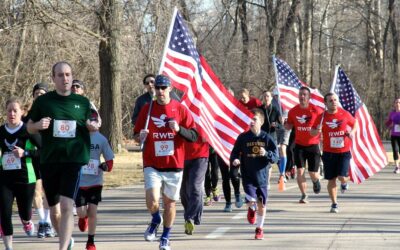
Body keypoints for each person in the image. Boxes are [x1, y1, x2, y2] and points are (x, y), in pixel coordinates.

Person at [27, 61, 94, 250]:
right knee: (54, 210)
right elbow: (29, 126)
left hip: (73, 159)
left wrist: (92, 127)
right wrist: (38, 126)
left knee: (66, 205)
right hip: (50, 160)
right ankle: (66, 240)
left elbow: (89, 124)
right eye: (60, 75)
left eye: (67, 74)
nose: (65, 78)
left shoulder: (82, 102)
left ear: (71, 76)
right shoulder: (43, 101)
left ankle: (62, 248)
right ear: (53, 78)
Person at [133, 75, 198, 250]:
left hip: (174, 163)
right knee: (152, 200)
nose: (160, 91)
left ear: (170, 88)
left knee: (169, 203)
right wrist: (141, 137)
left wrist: (178, 129)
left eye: (163, 87)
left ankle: (165, 236)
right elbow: (136, 135)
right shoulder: (147, 109)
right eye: (158, 88)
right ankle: (156, 218)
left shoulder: (180, 109)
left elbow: (193, 135)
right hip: (152, 162)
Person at [230, 108, 278, 240]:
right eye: (250, 119)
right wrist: (235, 159)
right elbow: (234, 152)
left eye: (254, 119)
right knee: (251, 199)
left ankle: (259, 229)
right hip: (248, 175)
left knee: (262, 204)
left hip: (262, 176)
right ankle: (251, 209)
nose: (251, 121)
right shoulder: (243, 137)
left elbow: (275, 157)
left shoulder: (267, 138)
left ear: (261, 122)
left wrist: (266, 154)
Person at [0, 97, 41, 250]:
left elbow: (43, 151)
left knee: (25, 211)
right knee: (4, 211)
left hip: (26, 178)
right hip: (5, 178)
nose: (12, 113)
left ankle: (26, 220)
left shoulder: (28, 130)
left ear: (22, 112)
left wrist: (26, 153)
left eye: (15, 110)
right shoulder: (1, 131)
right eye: (9, 110)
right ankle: (8, 247)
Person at [311, 93, 357, 213]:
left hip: (344, 151)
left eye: (335, 100)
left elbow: (355, 123)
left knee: (341, 177)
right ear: (325, 103)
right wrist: (317, 130)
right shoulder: (321, 117)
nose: (333, 102)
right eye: (330, 101)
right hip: (329, 153)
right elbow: (312, 133)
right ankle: (334, 204)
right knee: (331, 179)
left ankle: (344, 182)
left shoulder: (344, 113)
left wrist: (352, 132)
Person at [76, 109, 114, 250]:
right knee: (81, 211)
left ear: (99, 122)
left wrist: (105, 166)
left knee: (93, 211)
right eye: (88, 119)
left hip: (95, 181)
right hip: (80, 181)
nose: (91, 122)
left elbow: (110, 160)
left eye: (94, 119)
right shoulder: (78, 137)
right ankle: (82, 217)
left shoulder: (102, 139)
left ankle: (90, 241)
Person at [23, 82, 56, 238]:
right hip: (33, 158)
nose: (39, 96)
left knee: (49, 192)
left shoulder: (52, 114)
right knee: (37, 191)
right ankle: (43, 222)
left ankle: (48, 221)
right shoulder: (27, 117)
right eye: (37, 93)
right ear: (33, 95)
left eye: (42, 93)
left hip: (50, 158)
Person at [285, 86, 323, 203]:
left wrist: (320, 129)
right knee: (300, 171)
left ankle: (316, 181)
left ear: (309, 97)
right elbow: (289, 126)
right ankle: (304, 194)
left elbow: (324, 124)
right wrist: (285, 123)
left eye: (304, 95)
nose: (302, 97)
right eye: (300, 94)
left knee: (313, 173)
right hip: (299, 145)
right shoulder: (293, 111)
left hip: (313, 145)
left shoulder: (317, 111)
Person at [180, 135, 208, 235]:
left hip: (200, 156)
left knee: (195, 187)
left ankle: (189, 217)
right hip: (181, 155)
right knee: (183, 191)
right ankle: (191, 215)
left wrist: (209, 136)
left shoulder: (204, 118)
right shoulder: (180, 119)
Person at [385, 98, 400, 174]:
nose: (398, 104)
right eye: (396, 102)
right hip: (394, 135)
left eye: (399, 102)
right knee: (395, 150)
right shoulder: (392, 113)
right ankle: (397, 166)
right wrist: (389, 124)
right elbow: (388, 123)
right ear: (394, 104)